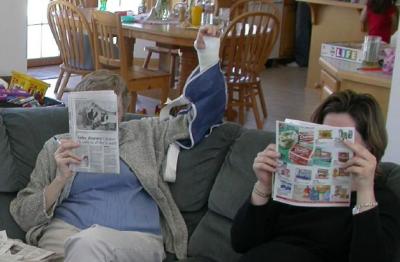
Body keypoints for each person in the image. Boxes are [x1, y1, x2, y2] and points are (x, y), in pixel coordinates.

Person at [10, 26, 225, 262]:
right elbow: (24, 214)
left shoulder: (145, 132)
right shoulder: (56, 147)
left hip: (134, 238)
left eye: (110, 109)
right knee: (78, 246)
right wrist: (60, 180)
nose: (101, 117)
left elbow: (202, 118)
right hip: (64, 235)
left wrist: (208, 55)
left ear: (123, 111)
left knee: (88, 243)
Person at [231, 90, 400, 262]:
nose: (331, 149)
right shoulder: (292, 180)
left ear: (370, 147)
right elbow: (240, 243)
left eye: (342, 140)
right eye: (325, 136)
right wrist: (263, 186)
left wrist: (364, 191)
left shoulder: (381, 200)